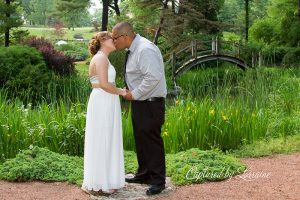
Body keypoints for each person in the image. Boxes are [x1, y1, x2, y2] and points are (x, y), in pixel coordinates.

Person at [112, 22, 167, 196]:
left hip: (150, 103)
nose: (114, 42)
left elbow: (153, 78)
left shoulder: (145, 50)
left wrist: (134, 94)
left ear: (125, 36)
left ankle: (158, 181)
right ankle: (144, 174)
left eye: (115, 38)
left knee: (151, 141)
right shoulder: (134, 50)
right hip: (141, 103)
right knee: (141, 140)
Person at [81, 31, 126, 196]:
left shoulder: (103, 58)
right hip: (103, 100)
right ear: (102, 41)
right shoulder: (100, 58)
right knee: (103, 138)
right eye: (111, 38)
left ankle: (106, 178)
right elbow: (105, 84)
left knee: (107, 137)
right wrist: (122, 92)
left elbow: (103, 84)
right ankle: (101, 182)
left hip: (107, 100)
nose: (114, 40)